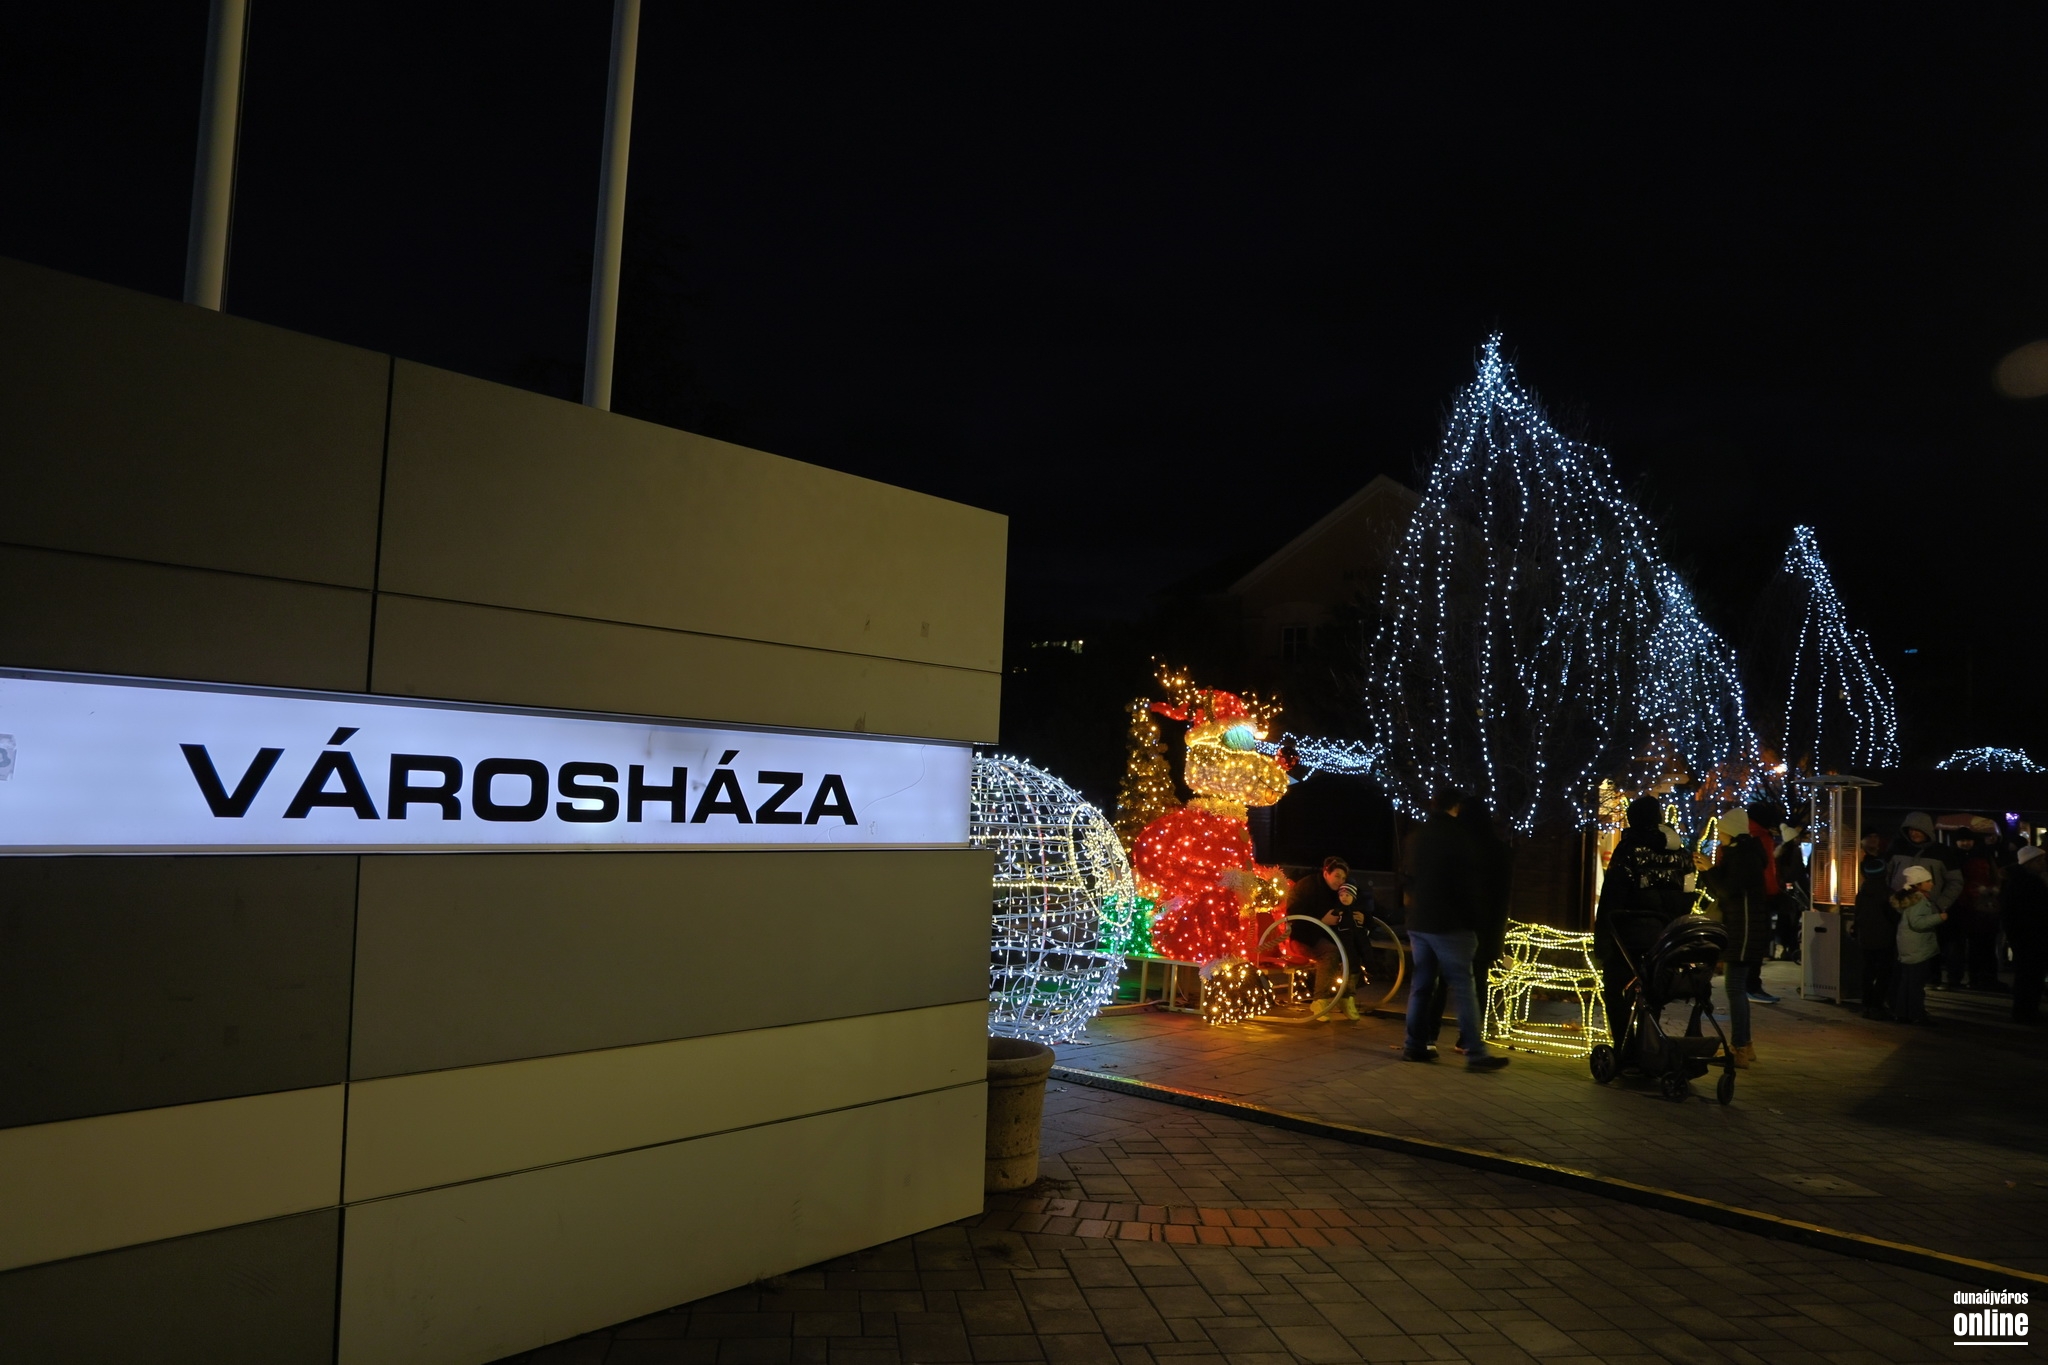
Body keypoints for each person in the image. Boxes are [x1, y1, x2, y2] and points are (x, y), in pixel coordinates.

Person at [1400, 787, 1508, 1071]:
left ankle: (1414, 1045)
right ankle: (1475, 1052)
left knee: (1421, 985)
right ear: (1456, 807)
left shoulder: (1417, 837)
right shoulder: (1460, 837)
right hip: (1450, 924)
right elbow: (1466, 885)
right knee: (1463, 987)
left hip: (1419, 922)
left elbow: (1407, 878)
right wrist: (1475, 922)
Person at [1594, 795, 1691, 1043]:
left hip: (1630, 936)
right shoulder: (1681, 853)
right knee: (1652, 991)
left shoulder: (1628, 850)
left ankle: (1624, 1046)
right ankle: (1648, 1043)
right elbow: (1687, 895)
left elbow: (1612, 897)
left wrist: (1603, 941)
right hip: (1665, 936)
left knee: (1615, 989)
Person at [1424, 801, 1512, 1052]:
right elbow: (1502, 899)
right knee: (1477, 984)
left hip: (1455, 927)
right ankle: (1468, 1039)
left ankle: (1429, 1035)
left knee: (1441, 982)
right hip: (1485, 930)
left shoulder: (1459, 847)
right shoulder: (1501, 851)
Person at [1700, 807, 1773, 1068]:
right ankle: (1745, 1045)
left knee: (1734, 988)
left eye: (1721, 831)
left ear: (1730, 832)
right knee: (1737, 988)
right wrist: (1708, 870)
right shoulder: (1742, 853)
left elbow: (1728, 890)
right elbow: (1722, 888)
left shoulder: (1743, 856)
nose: (1719, 835)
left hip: (1743, 929)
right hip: (1742, 927)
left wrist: (1709, 869)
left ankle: (1739, 1047)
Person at [1285, 856, 1366, 1019]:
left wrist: (1363, 917)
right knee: (1330, 952)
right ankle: (1320, 1001)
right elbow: (1294, 915)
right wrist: (1321, 920)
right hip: (1303, 937)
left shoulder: (1341, 892)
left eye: (1343, 878)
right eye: (1337, 876)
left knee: (1353, 950)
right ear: (1326, 873)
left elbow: (1356, 904)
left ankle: (1347, 997)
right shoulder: (1308, 886)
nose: (1340, 881)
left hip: (1328, 936)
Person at [1740, 801, 1786, 1004]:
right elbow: (1767, 871)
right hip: (1760, 897)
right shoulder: (1761, 837)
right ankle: (1751, 986)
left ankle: (1747, 985)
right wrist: (1774, 892)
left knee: (1750, 943)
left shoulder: (1744, 833)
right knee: (1758, 942)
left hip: (1747, 896)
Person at [1851, 828, 1899, 1020]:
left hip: (1866, 939)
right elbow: (1892, 915)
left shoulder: (1861, 894)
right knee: (1884, 972)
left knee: (1867, 971)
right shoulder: (1887, 893)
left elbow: (1858, 915)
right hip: (1884, 939)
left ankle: (1866, 1004)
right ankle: (1877, 1004)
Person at [1891, 864, 1947, 1026]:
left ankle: (1902, 1013)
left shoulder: (1909, 898)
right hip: (1918, 947)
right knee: (1916, 984)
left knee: (1906, 983)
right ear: (1918, 884)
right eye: (1928, 881)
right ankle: (1916, 1014)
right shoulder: (1919, 900)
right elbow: (1918, 923)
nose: (1932, 884)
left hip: (1908, 946)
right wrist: (1939, 917)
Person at [2000, 845, 2048, 1024]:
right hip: (2030, 935)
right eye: (2040, 860)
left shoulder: (2022, 880)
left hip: (2027, 934)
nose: (2043, 863)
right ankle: (2026, 1012)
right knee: (2030, 974)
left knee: (2028, 974)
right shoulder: (2026, 882)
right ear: (2030, 862)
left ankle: (2026, 1010)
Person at [1954, 827, 2004, 991]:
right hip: (1969, 906)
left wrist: (1993, 889)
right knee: (1976, 944)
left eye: (1968, 840)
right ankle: (1977, 978)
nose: (1965, 843)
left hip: (1986, 904)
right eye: (1962, 840)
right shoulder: (1956, 858)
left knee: (1987, 943)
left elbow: (1995, 876)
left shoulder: (1984, 855)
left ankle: (1988, 977)